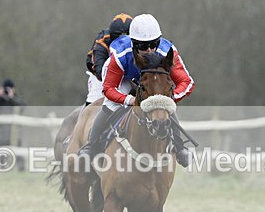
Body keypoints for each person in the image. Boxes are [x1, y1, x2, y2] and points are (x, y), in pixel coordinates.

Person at [79, 13, 195, 168]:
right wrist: (129, 100)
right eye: (142, 46)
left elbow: (186, 82)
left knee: (167, 108)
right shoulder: (120, 55)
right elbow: (108, 89)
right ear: (133, 43)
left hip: (152, 77)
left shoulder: (167, 52)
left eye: (153, 44)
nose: (149, 50)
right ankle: (90, 147)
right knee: (110, 106)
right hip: (124, 77)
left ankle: (179, 148)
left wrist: (168, 99)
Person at [84, 13, 132, 105]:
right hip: (101, 75)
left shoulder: (139, 41)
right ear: (112, 35)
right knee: (94, 100)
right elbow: (99, 70)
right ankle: (87, 116)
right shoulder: (102, 42)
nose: (123, 42)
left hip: (127, 73)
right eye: (118, 37)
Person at [0, 79, 25, 147]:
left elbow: (22, 107)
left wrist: (12, 98)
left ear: (13, 89)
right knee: (1, 155)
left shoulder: (17, 99)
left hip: (15, 133)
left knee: (17, 155)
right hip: (1, 134)